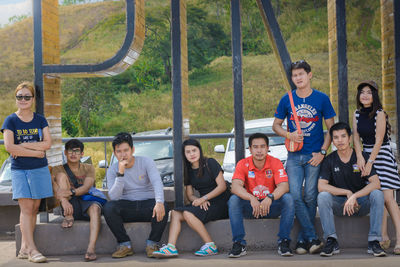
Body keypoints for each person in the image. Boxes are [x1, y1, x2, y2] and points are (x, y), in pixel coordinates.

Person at [273, 60, 336, 254]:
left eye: (301, 74)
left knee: (310, 195)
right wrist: (288, 134)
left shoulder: (322, 98)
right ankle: (311, 237)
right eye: (294, 75)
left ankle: (301, 241)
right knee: (294, 194)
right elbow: (276, 125)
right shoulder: (287, 99)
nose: (297, 78)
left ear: (309, 75)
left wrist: (323, 152)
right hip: (293, 155)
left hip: (314, 155)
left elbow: (331, 129)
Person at [1, 82, 53, 263]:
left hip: (39, 169)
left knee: (35, 208)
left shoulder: (40, 120)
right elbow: (9, 147)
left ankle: (24, 247)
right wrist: (36, 152)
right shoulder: (10, 121)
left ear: (32, 99)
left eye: (27, 97)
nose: (23, 100)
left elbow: (48, 144)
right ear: (16, 99)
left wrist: (23, 146)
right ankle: (32, 250)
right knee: (26, 209)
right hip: (20, 170)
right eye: (19, 97)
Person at [317, 122, 386, 257]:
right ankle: (331, 241)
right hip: (340, 204)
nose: (340, 140)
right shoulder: (329, 160)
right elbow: (321, 186)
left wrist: (355, 196)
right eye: (336, 137)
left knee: (377, 194)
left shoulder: (361, 157)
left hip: (361, 204)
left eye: (343, 136)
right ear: (332, 141)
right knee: (323, 196)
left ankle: (374, 242)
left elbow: (376, 183)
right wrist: (347, 193)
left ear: (349, 138)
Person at [153, 139, 229, 258]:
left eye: (194, 150)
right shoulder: (188, 170)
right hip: (204, 203)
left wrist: (204, 198)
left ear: (199, 150)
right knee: (175, 213)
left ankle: (210, 245)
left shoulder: (210, 163)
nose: (192, 154)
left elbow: (222, 186)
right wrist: (197, 201)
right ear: (184, 155)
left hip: (220, 202)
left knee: (188, 214)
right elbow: (189, 195)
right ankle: (171, 247)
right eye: (188, 152)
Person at [227, 133, 294, 257]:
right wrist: (251, 197)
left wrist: (270, 197)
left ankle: (284, 242)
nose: (259, 150)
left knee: (288, 199)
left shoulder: (275, 162)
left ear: (267, 148)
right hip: (252, 207)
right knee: (234, 200)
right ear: (250, 149)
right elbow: (235, 187)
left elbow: (284, 186)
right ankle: (239, 243)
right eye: (255, 147)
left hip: (270, 206)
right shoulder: (243, 163)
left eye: (262, 146)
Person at [103, 132, 169, 258]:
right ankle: (125, 245)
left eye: (126, 150)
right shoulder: (112, 170)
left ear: (132, 149)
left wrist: (159, 202)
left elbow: (157, 182)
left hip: (147, 206)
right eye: (119, 151)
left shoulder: (146, 162)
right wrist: (120, 174)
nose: (123, 154)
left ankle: (152, 244)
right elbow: (114, 197)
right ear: (114, 153)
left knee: (164, 206)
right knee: (109, 207)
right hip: (127, 207)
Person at [353, 80, 400, 254]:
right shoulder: (356, 114)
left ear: (375, 95)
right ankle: (383, 236)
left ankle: (399, 240)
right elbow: (356, 138)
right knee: (377, 197)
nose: (365, 95)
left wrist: (370, 161)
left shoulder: (380, 113)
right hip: (366, 156)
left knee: (388, 198)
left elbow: (379, 139)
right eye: (362, 92)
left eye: (369, 92)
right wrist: (360, 158)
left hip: (382, 156)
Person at [51, 139, 101, 261]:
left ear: (82, 154)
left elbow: (86, 187)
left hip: (86, 200)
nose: (73, 154)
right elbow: (55, 187)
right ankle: (68, 216)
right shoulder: (58, 169)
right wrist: (64, 200)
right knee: (61, 177)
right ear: (65, 153)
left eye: (77, 151)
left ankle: (91, 248)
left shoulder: (89, 167)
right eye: (70, 151)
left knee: (95, 208)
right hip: (69, 202)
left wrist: (70, 192)